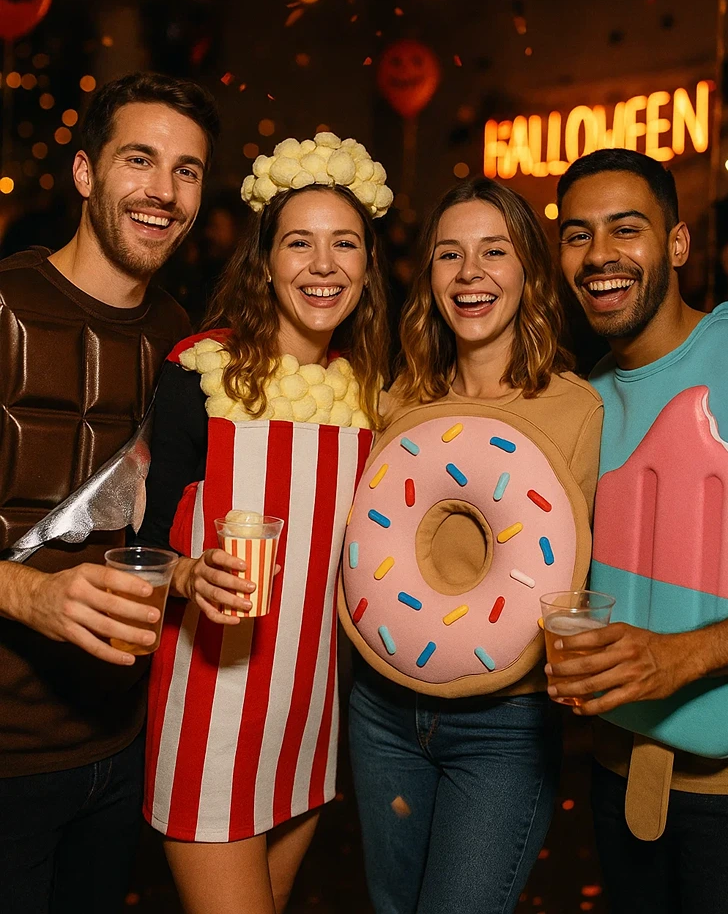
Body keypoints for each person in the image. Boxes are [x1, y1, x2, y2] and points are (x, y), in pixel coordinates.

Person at [138, 133, 392, 914]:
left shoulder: (371, 396)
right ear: (265, 260)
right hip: (207, 722)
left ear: (366, 263)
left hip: (311, 725)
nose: (323, 265)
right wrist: (183, 570)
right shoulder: (195, 377)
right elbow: (129, 548)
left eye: (343, 243)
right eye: (299, 243)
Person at [342, 177, 603, 914]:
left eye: (495, 251)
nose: (470, 274)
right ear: (428, 276)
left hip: (505, 725)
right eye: (450, 254)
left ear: (528, 270)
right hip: (383, 711)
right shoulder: (398, 399)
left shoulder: (580, 410)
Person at [0, 71, 219, 914]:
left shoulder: (187, 343)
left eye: (187, 170)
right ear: (87, 173)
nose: (163, 191)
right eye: (140, 159)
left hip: (124, 751)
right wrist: (29, 596)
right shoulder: (7, 302)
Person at [553, 148, 728, 914]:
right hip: (618, 779)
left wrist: (683, 656)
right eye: (577, 234)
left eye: (625, 229)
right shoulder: (581, 404)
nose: (600, 254)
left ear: (675, 243)